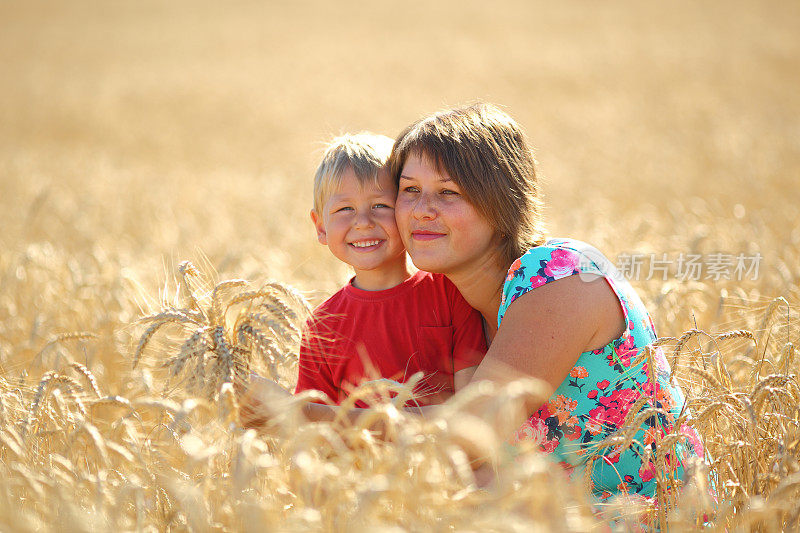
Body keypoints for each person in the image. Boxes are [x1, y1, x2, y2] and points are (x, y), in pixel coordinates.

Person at [388, 103, 707, 504]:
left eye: (448, 192)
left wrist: (313, 419)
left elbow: (471, 434)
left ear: (502, 201)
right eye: (409, 190)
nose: (422, 210)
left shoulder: (559, 276)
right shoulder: (449, 302)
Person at [291, 132, 486, 409]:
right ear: (321, 227)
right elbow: (311, 424)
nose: (362, 222)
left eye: (380, 205)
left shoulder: (450, 292)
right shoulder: (322, 326)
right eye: (345, 209)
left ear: (407, 211)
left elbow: (472, 408)